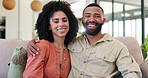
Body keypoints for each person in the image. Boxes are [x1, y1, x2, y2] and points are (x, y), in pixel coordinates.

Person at [27, 3, 142, 78]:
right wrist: (31, 43)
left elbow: (132, 73)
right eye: (87, 16)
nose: (91, 19)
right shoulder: (72, 43)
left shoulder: (117, 47)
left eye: (97, 16)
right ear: (82, 19)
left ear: (103, 20)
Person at [23, 1, 78, 78]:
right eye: (56, 21)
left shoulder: (70, 49)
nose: (61, 24)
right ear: (49, 26)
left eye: (64, 20)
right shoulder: (41, 46)